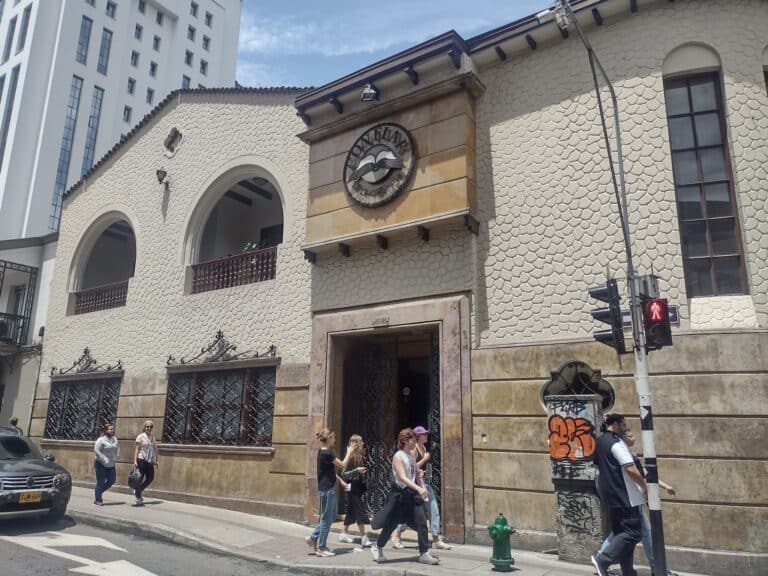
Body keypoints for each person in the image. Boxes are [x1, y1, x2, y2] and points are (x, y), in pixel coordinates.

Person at [597, 429, 676, 576]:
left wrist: (666, 487)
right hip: (630, 501)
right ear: (622, 438)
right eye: (630, 436)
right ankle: (603, 558)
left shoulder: (631, 455)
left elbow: (645, 475)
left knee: (629, 533)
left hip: (635, 501)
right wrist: (646, 490)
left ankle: (633, 569)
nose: (634, 438)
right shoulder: (621, 454)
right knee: (633, 534)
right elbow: (634, 474)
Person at [370, 428, 440, 565]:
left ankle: (424, 553)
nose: (415, 441)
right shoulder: (398, 456)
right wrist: (419, 488)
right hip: (400, 496)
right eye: (413, 439)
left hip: (412, 496)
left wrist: (421, 482)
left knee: (421, 523)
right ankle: (377, 546)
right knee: (391, 524)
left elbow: (415, 474)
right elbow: (402, 477)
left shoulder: (411, 456)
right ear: (406, 440)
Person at [591, 413, 646, 576]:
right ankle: (603, 560)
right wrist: (644, 486)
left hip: (610, 496)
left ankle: (628, 571)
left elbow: (596, 466)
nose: (624, 428)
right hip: (625, 496)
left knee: (623, 533)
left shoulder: (600, 442)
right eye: (623, 425)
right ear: (615, 424)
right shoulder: (617, 443)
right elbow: (630, 468)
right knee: (633, 533)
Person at [392, 425, 451, 550]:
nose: (426, 436)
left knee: (433, 508)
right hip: (416, 484)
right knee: (409, 511)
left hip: (425, 482)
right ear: (417, 437)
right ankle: (396, 534)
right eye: (424, 434)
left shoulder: (423, 447)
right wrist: (424, 460)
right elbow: (411, 467)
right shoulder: (414, 450)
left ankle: (436, 538)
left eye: (426, 434)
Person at [305, 428, 352, 557]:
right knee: (326, 519)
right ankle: (321, 547)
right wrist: (349, 452)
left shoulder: (322, 452)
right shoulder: (327, 453)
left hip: (327, 488)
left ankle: (313, 538)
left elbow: (328, 472)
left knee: (331, 517)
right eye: (333, 437)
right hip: (327, 490)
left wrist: (341, 481)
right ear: (329, 438)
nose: (335, 440)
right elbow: (342, 465)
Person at [339, 434, 371, 547]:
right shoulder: (351, 456)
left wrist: (360, 471)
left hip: (357, 486)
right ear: (356, 443)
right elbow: (343, 473)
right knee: (359, 511)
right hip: (352, 487)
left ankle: (343, 533)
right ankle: (364, 537)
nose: (362, 443)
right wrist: (357, 470)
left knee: (351, 512)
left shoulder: (360, 455)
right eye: (360, 442)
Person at [133, 420, 158, 506]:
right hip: (141, 459)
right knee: (140, 478)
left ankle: (138, 490)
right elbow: (137, 449)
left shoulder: (153, 437)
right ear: (144, 427)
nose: (149, 428)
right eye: (147, 426)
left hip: (149, 460)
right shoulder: (140, 436)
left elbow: (155, 449)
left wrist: (156, 460)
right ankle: (138, 497)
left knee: (150, 478)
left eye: (151, 427)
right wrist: (135, 461)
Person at [93, 423, 119, 505]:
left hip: (111, 464)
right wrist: (104, 459)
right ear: (106, 430)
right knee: (100, 482)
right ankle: (98, 500)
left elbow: (117, 448)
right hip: (100, 463)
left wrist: (117, 457)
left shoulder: (114, 439)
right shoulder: (101, 440)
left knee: (112, 480)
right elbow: (96, 450)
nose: (112, 430)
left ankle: (98, 491)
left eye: (112, 429)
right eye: (110, 429)